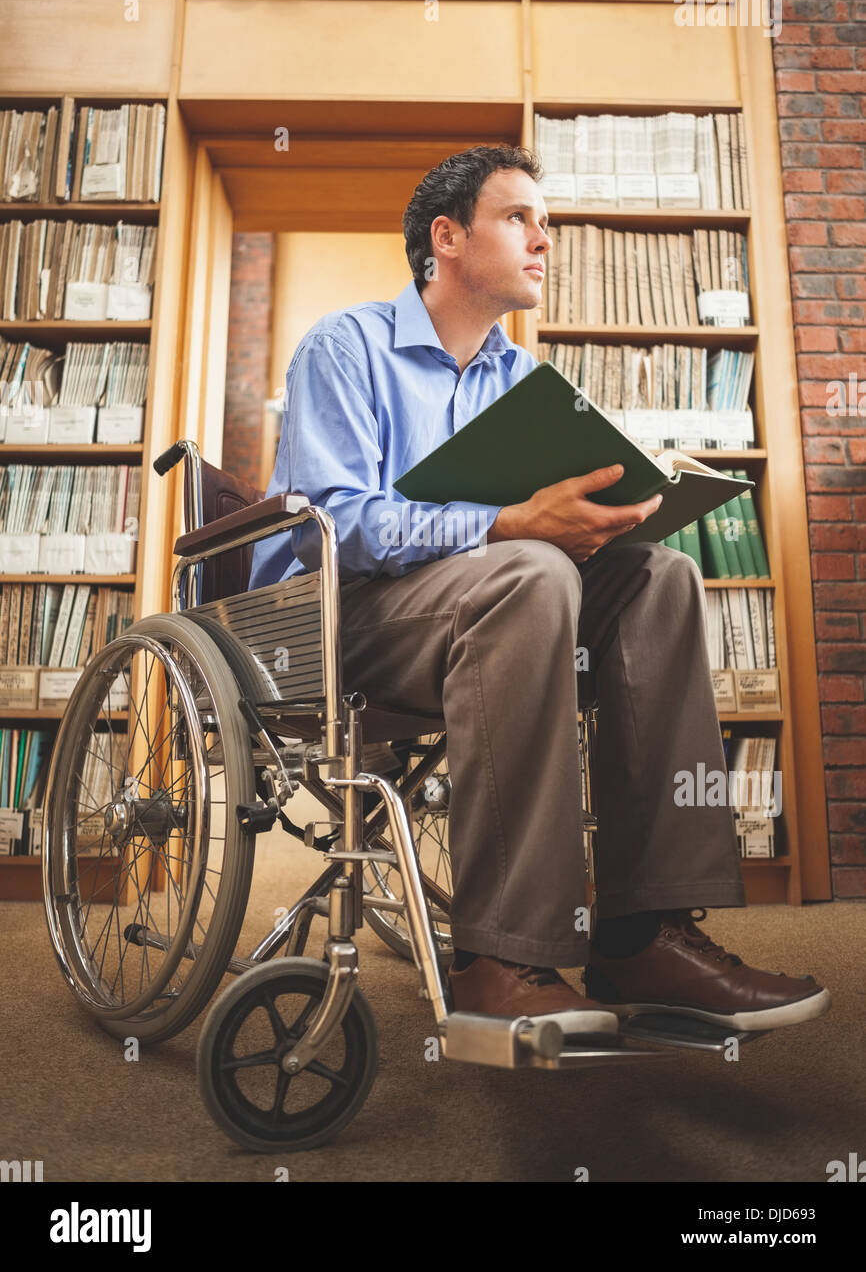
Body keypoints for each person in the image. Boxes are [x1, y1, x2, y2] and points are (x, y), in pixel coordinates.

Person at [249, 144, 830, 1037]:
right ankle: (503, 955)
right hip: (339, 620)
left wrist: (606, 518)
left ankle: (644, 935)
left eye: (545, 222)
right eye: (519, 218)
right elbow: (337, 527)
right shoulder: (345, 347)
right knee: (525, 567)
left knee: (659, 576)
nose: (543, 240)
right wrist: (514, 524)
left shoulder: (524, 380)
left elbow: (540, 539)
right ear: (447, 237)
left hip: (491, 608)